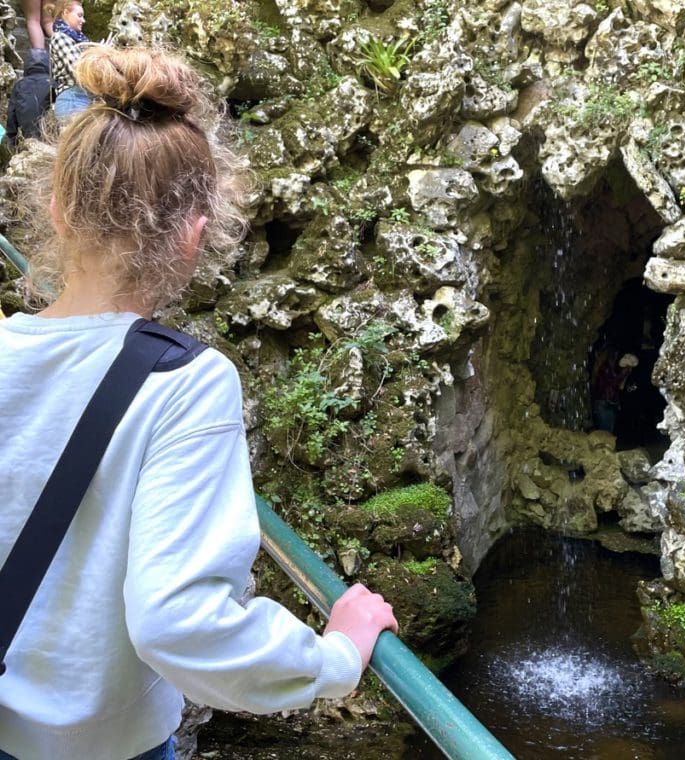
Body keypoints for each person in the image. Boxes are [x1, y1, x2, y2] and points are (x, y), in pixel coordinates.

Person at [0, 46, 397, 760]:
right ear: (194, 232)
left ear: (57, 210)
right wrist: (335, 654)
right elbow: (178, 622)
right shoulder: (185, 383)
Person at [47, 0, 93, 122]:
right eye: (80, 15)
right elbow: (78, 69)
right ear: (65, 12)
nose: (83, 20)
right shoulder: (60, 37)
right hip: (73, 101)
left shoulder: (77, 40)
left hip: (80, 99)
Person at [5, 50, 52, 148]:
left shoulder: (20, 85)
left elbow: (11, 113)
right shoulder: (53, 83)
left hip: (27, 135)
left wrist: (12, 139)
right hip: (48, 135)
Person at [591, 348, 637, 433]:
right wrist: (624, 373)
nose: (616, 357)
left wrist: (626, 375)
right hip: (604, 403)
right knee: (605, 434)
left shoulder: (611, 369)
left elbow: (620, 387)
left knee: (607, 433)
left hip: (610, 403)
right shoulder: (604, 368)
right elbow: (613, 384)